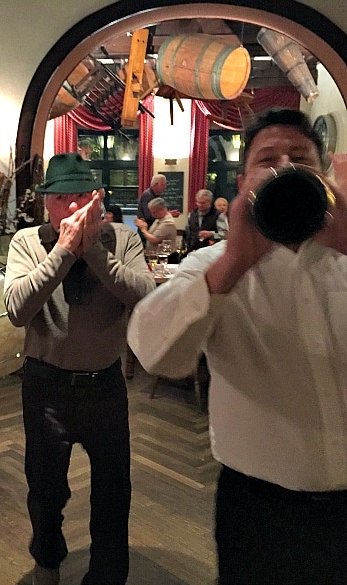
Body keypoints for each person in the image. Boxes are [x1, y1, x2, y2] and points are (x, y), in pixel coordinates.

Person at [127, 108, 347, 585]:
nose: (286, 167)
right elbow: (156, 353)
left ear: (325, 175)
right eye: (268, 160)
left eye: (301, 158)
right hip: (260, 509)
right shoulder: (212, 264)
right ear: (244, 181)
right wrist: (233, 263)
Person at [4, 153, 155, 585]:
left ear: (97, 199)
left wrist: (93, 253)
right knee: (46, 491)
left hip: (105, 386)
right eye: (60, 198)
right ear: (45, 202)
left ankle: (107, 576)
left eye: (80, 197)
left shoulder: (121, 238)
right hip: (46, 386)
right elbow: (17, 309)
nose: (71, 209)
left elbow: (145, 296)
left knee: (113, 491)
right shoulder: (26, 242)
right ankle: (47, 565)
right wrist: (63, 252)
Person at [136, 173, 167, 239]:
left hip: (151, 230)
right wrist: (166, 214)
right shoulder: (147, 196)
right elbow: (149, 216)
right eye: (163, 185)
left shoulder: (157, 195)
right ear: (156, 184)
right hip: (146, 231)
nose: (165, 187)